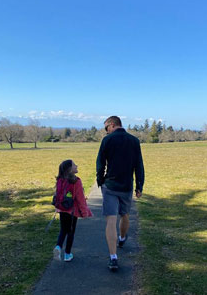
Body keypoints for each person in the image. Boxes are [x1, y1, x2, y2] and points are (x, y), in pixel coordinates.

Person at [96, 116, 144, 271]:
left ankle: (113, 257)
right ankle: (122, 238)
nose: (106, 131)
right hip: (126, 186)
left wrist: (100, 180)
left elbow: (100, 163)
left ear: (112, 125)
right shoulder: (134, 141)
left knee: (111, 220)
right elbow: (139, 165)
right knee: (124, 215)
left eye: (106, 128)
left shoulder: (107, 140)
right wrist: (139, 186)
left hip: (110, 185)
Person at [53, 159, 93, 262]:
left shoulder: (60, 180)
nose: (77, 166)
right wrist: (84, 213)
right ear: (70, 169)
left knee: (63, 230)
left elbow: (58, 195)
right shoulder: (76, 181)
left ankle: (58, 246)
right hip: (72, 212)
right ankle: (67, 254)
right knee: (70, 232)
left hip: (62, 209)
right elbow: (80, 199)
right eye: (74, 165)